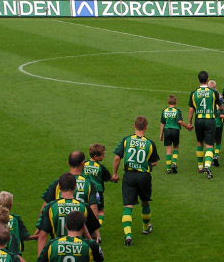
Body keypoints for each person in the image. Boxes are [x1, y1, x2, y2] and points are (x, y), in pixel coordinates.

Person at [113, 116, 160, 245]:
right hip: (144, 176)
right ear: (146, 127)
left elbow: (117, 158)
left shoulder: (126, 140)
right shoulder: (149, 143)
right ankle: (145, 228)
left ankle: (128, 235)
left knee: (128, 206)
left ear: (134, 126)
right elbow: (154, 162)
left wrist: (115, 174)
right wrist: (147, 165)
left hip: (128, 176)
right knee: (145, 202)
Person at [36, 173, 101, 255]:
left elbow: (42, 237)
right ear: (75, 186)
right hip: (79, 252)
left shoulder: (51, 207)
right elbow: (94, 235)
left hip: (57, 251)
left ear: (59, 187)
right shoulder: (84, 207)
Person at [40, 152, 99, 239]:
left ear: (68, 162)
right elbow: (93, 207)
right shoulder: (89, 183)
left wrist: (40, 227)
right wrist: (95, 231)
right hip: (80, 234)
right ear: (83, 163)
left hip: (58, 239)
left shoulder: (58, 182)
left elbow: (45, 206)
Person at [188, 72, 222, 179]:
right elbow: (220, 107)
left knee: (199, 142)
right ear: (207, 80)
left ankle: (200, 166)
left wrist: (189, 122)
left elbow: (191, 110)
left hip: (198, 120)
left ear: (198, 80)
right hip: (209, 120)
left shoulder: (194, 93)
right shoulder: (213, 92)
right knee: (209, 145)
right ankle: (207, 166)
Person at [82, 143, 114, 227]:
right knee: (99, 211)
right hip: (97, 192)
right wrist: (115, 178)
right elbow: (109, 178)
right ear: (96, 156)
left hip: (83, 190)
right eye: (102, 155)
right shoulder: (101, 167)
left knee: (84, 209)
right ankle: (96, 230)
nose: (103, 157)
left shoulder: (83, 164)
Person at [159, 95, 192, 174]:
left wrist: (161, 134)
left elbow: (162, 123)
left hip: (166, 131)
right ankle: (173, 163)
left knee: (168, 151)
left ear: (167, 102)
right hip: (175, 131)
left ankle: (168, 169)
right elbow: (180, 121)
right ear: (176, 102)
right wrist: (188, 127)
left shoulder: (164, 110)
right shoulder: (177, 111)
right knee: (176, 148)